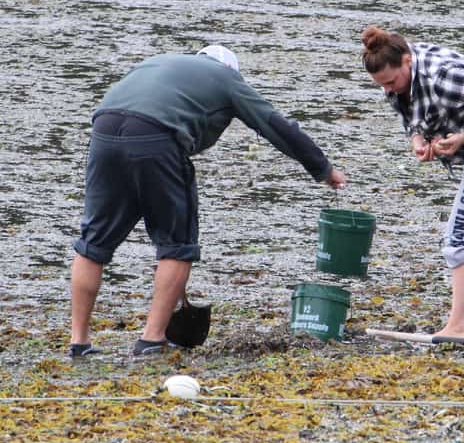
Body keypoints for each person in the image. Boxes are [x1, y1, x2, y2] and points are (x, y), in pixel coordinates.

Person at [68, 45, 347, 358]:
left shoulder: (159, 62)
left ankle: (79, 343)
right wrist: (323, 169)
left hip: (103, 132)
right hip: (158, 138)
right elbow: (275, 125)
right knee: (178, 244)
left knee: (94, 242)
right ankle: (151, 340)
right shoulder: (226, 79)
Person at [361, 26, 464, 339]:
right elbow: (410, 113)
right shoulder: (398, 80)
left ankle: (458, 326)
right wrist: (418, 138)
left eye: (390, 82)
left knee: (462, 234)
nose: (387, 90)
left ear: (407, 62)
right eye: (380, 85)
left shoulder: (441, 75)